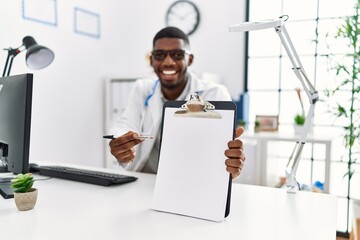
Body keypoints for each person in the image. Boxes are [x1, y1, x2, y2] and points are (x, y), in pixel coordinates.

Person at [108, 26, 245, 179]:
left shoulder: (214, 94)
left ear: (190, 59)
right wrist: (121, 142)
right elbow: (126, 123)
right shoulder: (142, 89)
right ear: (152, 60)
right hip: (145, 180)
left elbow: (224, 153)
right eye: (159, 55)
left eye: (177, 55)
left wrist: (231, 163)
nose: (168, 62)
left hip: (190, 183)